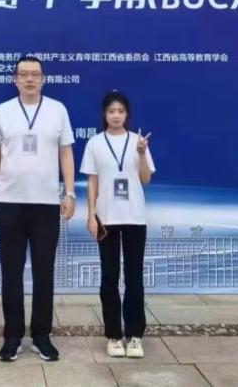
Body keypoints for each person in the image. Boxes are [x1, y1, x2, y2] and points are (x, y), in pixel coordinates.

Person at [0, 56, 75, 362]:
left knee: (43, 271)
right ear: (15, 79)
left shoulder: (58, 110)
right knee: (11, 272)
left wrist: (70, 193)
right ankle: (12, 337)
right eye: (23, 74)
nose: (29, 79)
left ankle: (41, 335)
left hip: (46, 204)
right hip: (10, 203)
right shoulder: (2, 111)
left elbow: (66, 154)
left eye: (35, 74)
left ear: (43, 79)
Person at [81, 90, 155, 359]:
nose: (116, 116)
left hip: (134, 218)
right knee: (109, 277)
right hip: (106, 218)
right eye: (111, 111)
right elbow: (92, 182)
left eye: (120, 111)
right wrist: (91, 215)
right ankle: (113, 335)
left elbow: (145, 179)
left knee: (134, 277)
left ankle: (134, 336)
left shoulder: (138, 141)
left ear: (127, 114)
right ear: (104, 114)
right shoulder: (95, 143)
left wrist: (142, 154)